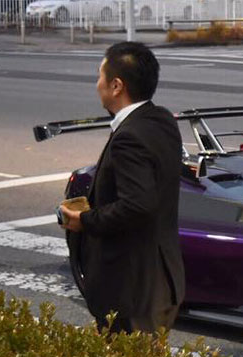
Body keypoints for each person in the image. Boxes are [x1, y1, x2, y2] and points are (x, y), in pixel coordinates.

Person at [59, 41, 185, 334]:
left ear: (116, 86)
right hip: (160, 279)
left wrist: (84, 220)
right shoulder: (161, 119)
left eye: (100, 76)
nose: (97, 84)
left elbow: (138, 205)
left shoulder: (131, 136)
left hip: (132, 291)